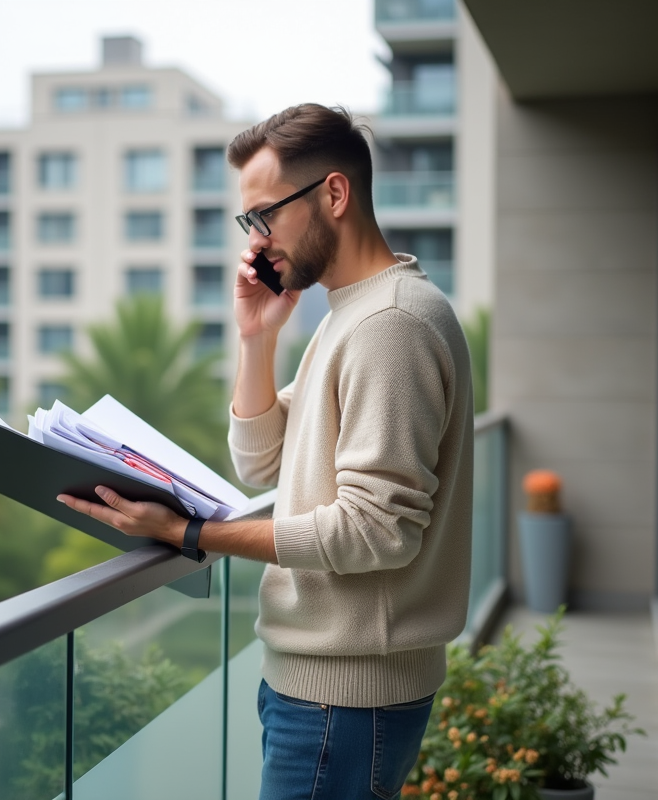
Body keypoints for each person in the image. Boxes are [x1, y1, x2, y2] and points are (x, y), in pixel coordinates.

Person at [58, 103, 473, 800]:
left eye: (265, 216)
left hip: (346, 697)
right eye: (248, 222)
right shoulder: (353, 313)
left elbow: (377, 531)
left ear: (334, 195)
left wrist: (190, 533)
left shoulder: (390, 325)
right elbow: (265, 462)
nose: (256, 241)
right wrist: (257, 336)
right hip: (322, 687)